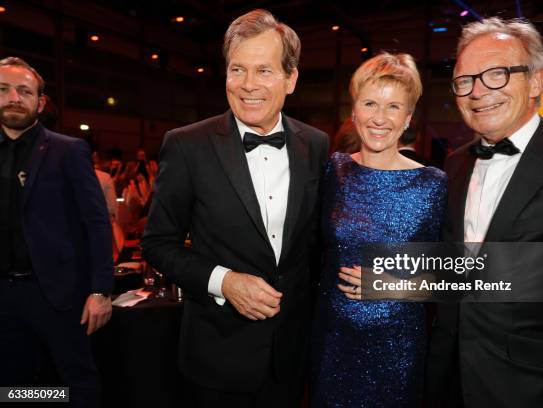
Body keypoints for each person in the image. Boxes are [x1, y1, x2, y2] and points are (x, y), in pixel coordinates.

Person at [141, 9, 329, 407]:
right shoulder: (186, 145)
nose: (247, 86)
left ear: (290, 79)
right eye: (237, 70)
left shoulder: (316, 145)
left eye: (264, 71)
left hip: (291, 356)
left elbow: (317, 245)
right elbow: (158, 244)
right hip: (216, 357)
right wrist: (223, 281)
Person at [426, 17, 543, 408]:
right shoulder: (454, 165)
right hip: (448, 382)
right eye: (465, 80)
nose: (478, 92)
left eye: (496, 74)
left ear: (537, 81)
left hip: (536, 389)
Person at [310, 52, 447, 407]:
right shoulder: (334, 172)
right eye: (370, 103)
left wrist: (392, 285)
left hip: (397, 344)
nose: (380, 118)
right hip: (333, 339)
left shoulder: (433, 185)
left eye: (393, 107)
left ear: (408, 118)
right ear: (354, 112)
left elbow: (453, 273)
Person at [0, 57, 114, 407]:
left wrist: (100, 290)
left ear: (40, 101)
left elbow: (96, 223)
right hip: (4, 295)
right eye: (4, 90)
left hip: (58, 294)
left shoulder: (68, 150)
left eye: (25, 91)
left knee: (76, 381)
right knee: (13, 385)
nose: (14, 98)